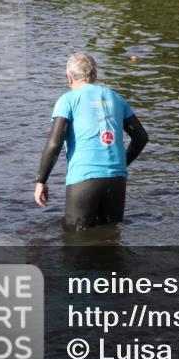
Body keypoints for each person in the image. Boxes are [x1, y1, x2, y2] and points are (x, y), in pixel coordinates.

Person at [34, 52, 148, 229]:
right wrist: (122, 164)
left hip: (84, 180)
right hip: (117, 180)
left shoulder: (68, 100)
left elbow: (54, 144)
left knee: (76, 243)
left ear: (69, 77)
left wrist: (41, 181)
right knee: (110, 239)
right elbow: (141, 137)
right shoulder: (116, 97)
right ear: (95, 75)